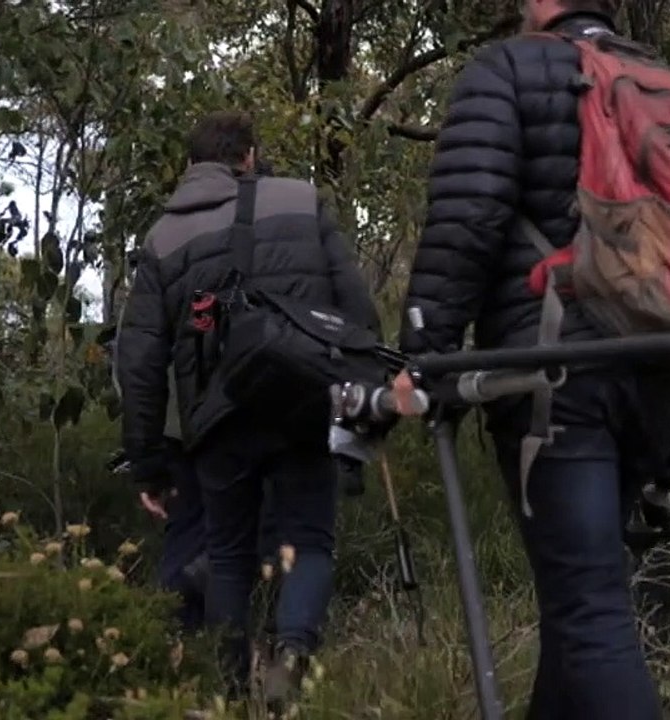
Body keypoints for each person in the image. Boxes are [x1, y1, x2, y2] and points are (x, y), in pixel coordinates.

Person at [391, 2, 670, 718]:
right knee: (576, 602)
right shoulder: (661, 78)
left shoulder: (508, 68)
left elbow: (470, 213)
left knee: (590, 613)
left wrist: (424, 354)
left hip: (559, 377)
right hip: (663, 372)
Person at [115, 110, 380, 708]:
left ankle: (231, 695)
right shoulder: (302, 200)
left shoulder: (163, 237)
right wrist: (363, 410)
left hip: (218, 417)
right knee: (309, 540)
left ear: (191, 165)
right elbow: (357, 309)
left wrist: (148, 464)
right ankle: (292, 650)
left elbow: (140, 362)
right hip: (302, 403)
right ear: (250, 157)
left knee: (229, 555)